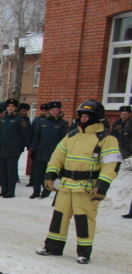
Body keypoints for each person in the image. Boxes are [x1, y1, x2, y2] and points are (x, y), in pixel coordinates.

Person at [36, 100, 121, 264]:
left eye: (87, 115)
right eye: (81, 115)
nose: (83, 118)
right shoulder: (72, 135)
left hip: (87, 188)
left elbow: (111, 165)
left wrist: (102, 185)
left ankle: (84, 252)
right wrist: (50, 174)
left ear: (96, 118)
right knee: (59, 217)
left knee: (84, 219)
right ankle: (53, 247)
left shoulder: (106, 139)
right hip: (67, 185)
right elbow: (57, 156)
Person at [0, 98, 31, 198]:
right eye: (9, 106)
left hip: (13, 149)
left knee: (11, 171)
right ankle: (3, 190)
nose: (11, 108)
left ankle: (10, 191)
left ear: (16, 108)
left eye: (13, 106)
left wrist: (21, 147)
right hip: (3, 148)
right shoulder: (3, 119)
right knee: (3, 171)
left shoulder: (19, 120)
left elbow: (24, 135)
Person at [29, 101, 67, 199]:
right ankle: (36, 191)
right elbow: (36, 137)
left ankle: (46, 192)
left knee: (49, 174)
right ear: (49, 111)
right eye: (53, 110)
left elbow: (64, 140)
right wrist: (33, 150)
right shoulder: (42, 122)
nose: (54, 112)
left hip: (53, 153)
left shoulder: (62, 123)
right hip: (40, 152)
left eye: (56, 110)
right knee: (37, 174)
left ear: (59, 111)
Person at [26, 102, 50, 188]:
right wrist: (31, 146)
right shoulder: (37, 120)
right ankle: (32, 181)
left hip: (47, 148)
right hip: (36, 146)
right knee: (35, 166)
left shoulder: (51, 121)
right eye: (42, 110)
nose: (44, 112)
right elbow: (32, 133)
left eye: (46, 110)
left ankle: (44, 182)